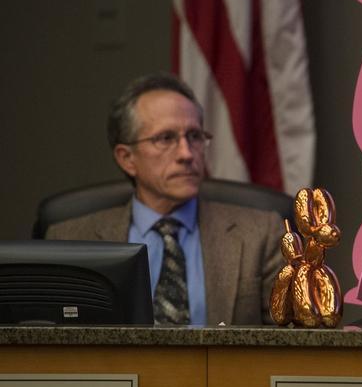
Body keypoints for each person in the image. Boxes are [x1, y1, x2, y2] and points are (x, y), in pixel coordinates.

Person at [46, 74, 284, 326]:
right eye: (166, 138)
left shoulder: (260, 234)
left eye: (194, 136)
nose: (186, 153)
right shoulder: (68, 239)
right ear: (127, 158)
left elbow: (289, 345)